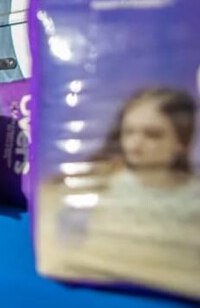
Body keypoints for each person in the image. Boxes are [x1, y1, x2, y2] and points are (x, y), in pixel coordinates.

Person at [36, 88, 200, 300]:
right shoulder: (94, 187)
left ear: (180, 142)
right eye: (129, 131)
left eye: (152, 134)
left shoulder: (193, 197)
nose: (136, 144)